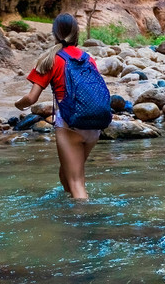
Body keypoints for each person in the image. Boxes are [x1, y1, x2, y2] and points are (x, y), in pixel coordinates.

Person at [14, 14, 105, 199]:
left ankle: (85, 223)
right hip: (94, 124)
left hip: (70, 124)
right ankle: (70, 210)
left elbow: (31, 98)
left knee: (76, 181)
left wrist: (18, 104)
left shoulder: (50, 59)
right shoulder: (88, 58)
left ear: (55, 33)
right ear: (77, 33)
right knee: (66, 174)